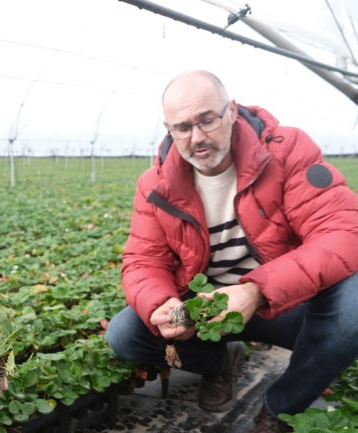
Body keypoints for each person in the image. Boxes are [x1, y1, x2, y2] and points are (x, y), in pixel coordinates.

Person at [106, 70, 358, 433]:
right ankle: (219, 363)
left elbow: (342, 232)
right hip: (205, 309)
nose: (197, 137)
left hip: (289, 305)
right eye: (182, 127)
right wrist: (160, 302)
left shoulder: (287, 152)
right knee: (126, 333)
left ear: (232, 110)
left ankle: (280, 409)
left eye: (207, 120)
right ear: (168, 128)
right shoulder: (155, 184)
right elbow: (143, 260)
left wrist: (256, 290)